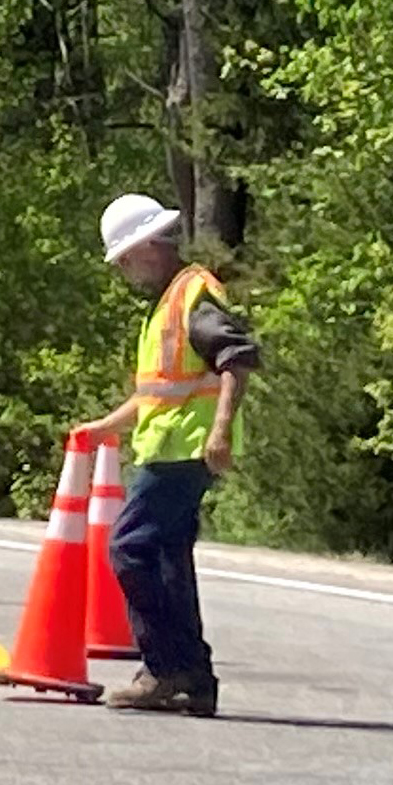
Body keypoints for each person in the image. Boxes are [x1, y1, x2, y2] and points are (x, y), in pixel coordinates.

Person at [82, 193, 259, 717]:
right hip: (172, 447)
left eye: (125, 259)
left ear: (149, 247)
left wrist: (221, 431)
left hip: (186, 450)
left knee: (131, 547)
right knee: (166, 560)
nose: (123, 271)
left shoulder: (191, 297)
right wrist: (105, 427)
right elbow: (159, 392)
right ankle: (193, 680)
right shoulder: (169, 303)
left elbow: (236, 357)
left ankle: (164, 668)